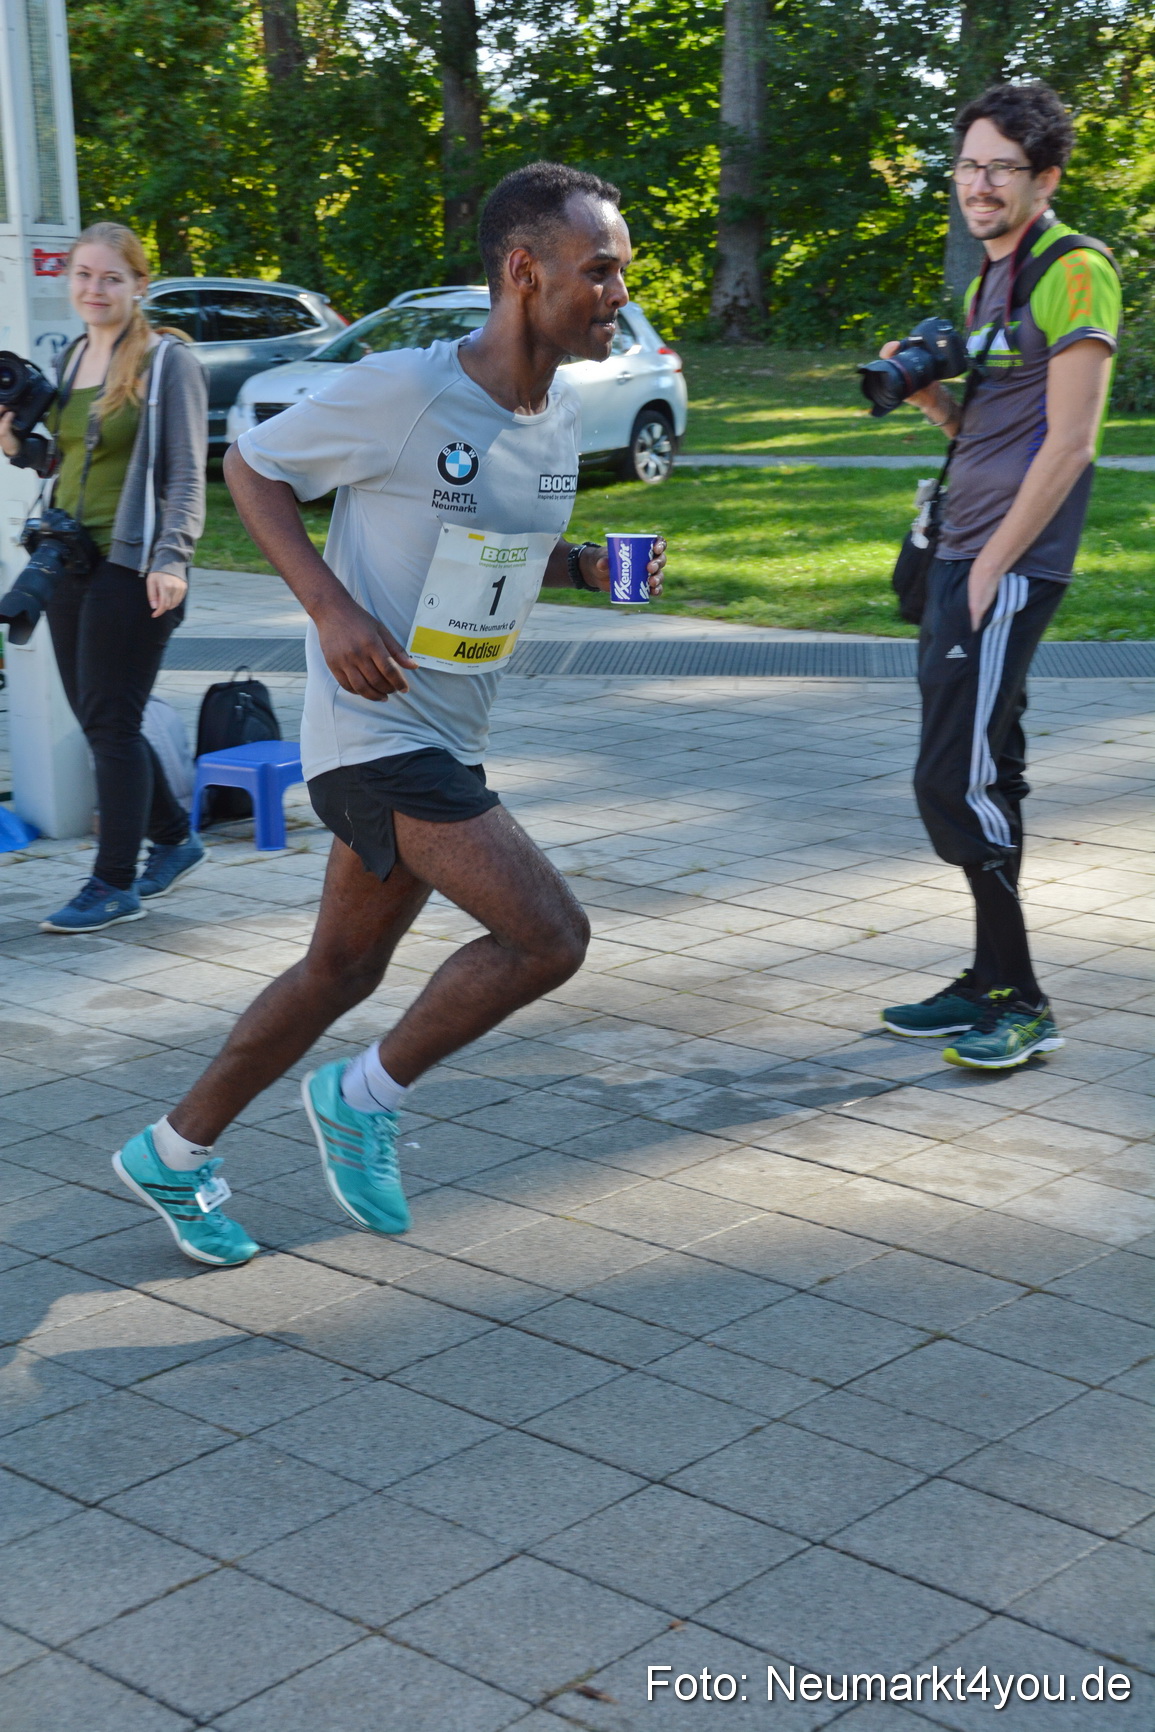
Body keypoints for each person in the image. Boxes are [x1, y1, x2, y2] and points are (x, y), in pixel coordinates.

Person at [112, 162, 667, 1266]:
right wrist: (330, 610)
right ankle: (364, 1095)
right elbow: (252, 467)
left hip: (450, 728)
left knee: (339, 972)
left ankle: (172, 1151)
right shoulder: (406, 390)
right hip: (379, 734)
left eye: (622, 274)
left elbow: (498, 543)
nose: (619, 294)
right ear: (523, 272)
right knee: (549, 936)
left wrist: (585, 566)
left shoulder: (554, 416)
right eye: (598, 270)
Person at [880, 83, 1121, 1069]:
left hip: (1004, 564)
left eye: (1002, 169)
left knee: (952, 777)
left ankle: (1023, 1001)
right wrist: (935, 400)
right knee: (989, 771)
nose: (979, 184)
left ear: (1045, 177)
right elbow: (992, 426)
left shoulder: (1075, 269)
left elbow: (1070, 443)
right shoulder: (991, 279)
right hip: (961, 546)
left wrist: (991, 573)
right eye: (969, 165)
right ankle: (987, 979)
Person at [0, 221, 209, 932]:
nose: (95, 288)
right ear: (72, 281)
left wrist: (172, 558)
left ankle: (111, 883)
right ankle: (174, 839)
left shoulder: (166, 360)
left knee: (112, 723)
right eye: (84, 275)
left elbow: (184, 472)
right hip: (68, 560)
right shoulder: (69, 357)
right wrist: (16, 446)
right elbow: (62, 462)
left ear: (138, 284)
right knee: (99, 718)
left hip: (135, 562)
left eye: (111, 277)